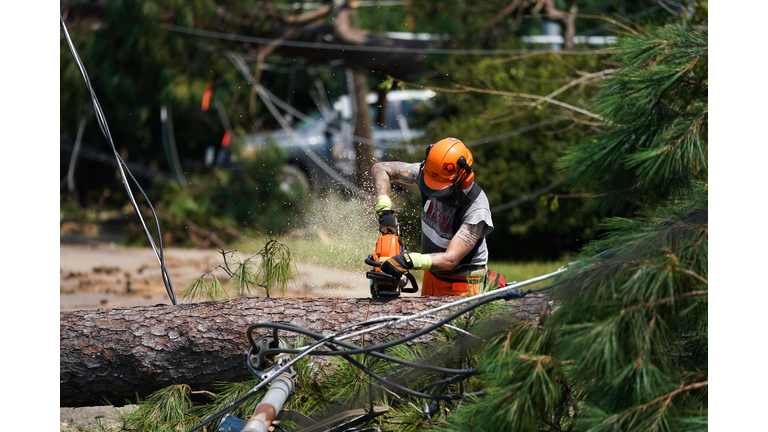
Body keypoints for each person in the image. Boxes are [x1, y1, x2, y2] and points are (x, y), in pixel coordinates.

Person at [371, 137, 495, 296]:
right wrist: (384, 210)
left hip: (462, 284)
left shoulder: (476, 208)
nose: (434, 192)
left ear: (464, 178)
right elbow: (380, 168)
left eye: (440, 189)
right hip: (431, 272)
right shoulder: (430, 175)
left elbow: (450, 259)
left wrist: (410, 260)